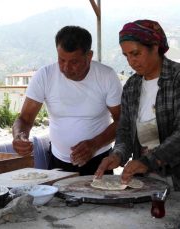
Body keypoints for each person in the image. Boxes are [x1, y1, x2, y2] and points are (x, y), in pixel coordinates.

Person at [94, 19, 180, 192]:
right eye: (126, 55)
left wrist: (148, 161)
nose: (131, 61)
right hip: (146, 184)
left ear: (155, 47)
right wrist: (118, 154)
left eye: (136, 53)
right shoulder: (132, 86)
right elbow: (124, 131)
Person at [12, 25, 122, 176]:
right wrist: (19, 136)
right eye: (61, 60)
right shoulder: (44, 75)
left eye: (74, 62)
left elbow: (122, 121)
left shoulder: (106, 76)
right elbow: (24, 119)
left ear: (89, 56)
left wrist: (94, 144)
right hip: (58, 161)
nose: (66, 67)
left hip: (99, 161)